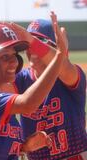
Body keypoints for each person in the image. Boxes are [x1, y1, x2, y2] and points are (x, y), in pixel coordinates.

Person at [0, 12, 66, 160]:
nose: (14, 62)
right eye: (5, 56)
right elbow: (28, 104)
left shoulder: (7, 105)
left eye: (15, 55)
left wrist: (24, 147)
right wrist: (59, 56)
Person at [17, 13, 87, 160]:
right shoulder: (21, 79)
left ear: (54, 47)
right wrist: (25, 147)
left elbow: (62, 65)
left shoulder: (70, 74)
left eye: (39, 42)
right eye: (27, 44)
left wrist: (60, 52)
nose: (31, 49)